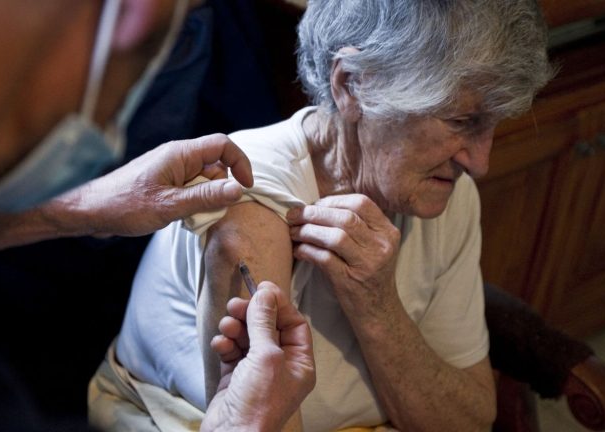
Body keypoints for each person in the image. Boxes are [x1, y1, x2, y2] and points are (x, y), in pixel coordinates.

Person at [0, 0, 314, 430]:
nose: (110, 130)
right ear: (138, 16)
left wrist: (81, 209)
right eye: (151, 65)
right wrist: (242, 426)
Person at [101, 0, 555, 430]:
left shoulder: (443, 189)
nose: (481, 163)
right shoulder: (248, 206)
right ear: (352, 84)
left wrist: (378, 305)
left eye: (493, 125)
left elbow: (470, 420)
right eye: (461, 121)